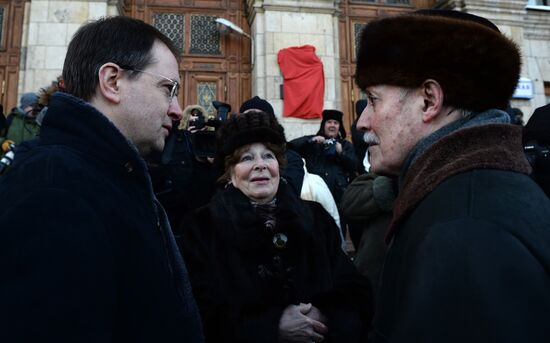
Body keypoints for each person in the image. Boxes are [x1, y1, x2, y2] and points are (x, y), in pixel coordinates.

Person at [0, 16, 203, 342]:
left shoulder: (112, 175)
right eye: (168, 88)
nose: (177, 110)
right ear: (112, 81)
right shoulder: (53, 195)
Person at [355, 9, 550, 342]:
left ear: (429, 100)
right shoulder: (471, 192)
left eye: (373, 100)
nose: (362, 123)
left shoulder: (463, 228)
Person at [179, 110, 372, 342]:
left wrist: (326, 317)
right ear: (229, 171)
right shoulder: (202, 228)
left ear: (279, 165)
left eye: (268, 156)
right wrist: (271, 326)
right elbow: (199, 313)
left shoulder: (315, 218)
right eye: (247, 158)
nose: (260, 165)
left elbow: (354, 290)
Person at [289, 109, 357, 205]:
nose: (332, 125)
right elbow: (290, 147)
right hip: (316, 196)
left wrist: (341, 152)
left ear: (339, 126)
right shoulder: (313, 141)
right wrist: (310, 141)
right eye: (329, 122)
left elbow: (354, 166)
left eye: (336, 123)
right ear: (323, 125)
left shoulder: (345, 145)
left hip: (340, 196)